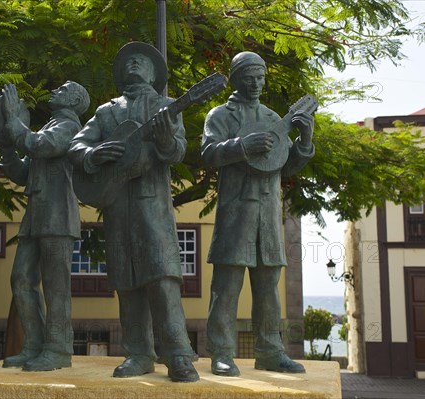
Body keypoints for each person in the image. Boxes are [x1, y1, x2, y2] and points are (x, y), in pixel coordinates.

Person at [68, 42, 198, 383]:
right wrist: (92, 155)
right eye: (127, 62)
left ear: (155, 73)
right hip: (117, 205)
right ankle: (138, 354)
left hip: (152, 204)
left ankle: (179, 355)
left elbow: (177, 151)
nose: (133, 65)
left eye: (140, 61)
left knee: (161, 279)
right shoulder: (105, 112)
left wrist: (167, 139)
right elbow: (76, 145)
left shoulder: (166, 106)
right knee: (126, 283)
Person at [202, 51, 315, 376]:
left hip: (268, 214)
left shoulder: (271, 117)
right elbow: (208, 154)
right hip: (236, 212)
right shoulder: (220, 115)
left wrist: (304, 141)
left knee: (269, 288)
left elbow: (284, 164)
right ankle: (221, 353)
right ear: (236, 78)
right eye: (249, 77)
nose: (255, 83)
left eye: (260, 77)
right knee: (226, 287)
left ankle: (269, 351)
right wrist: (241, 146)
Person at [0, 80, 90, 371]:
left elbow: (37, 145)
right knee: (20, 279)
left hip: (58, 217)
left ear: (74, 100)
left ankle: (58, 349)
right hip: (36, 217)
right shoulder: (49, 126)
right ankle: (34, 344)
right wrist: (6, 148)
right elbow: (22, 172)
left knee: (56, 287)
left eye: (63, 89)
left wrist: (12, 120)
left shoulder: (69, 128)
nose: (54, 90)